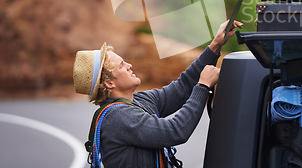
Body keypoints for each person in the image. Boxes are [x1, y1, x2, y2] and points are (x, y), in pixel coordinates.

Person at [73, 19, 243, 168]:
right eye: (122, 65)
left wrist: (215, 45)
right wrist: (203, 86)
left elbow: (181, 87)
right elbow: (175, 131)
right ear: (109, 83)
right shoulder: (118, 117)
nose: (129, 65)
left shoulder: (137, 101)